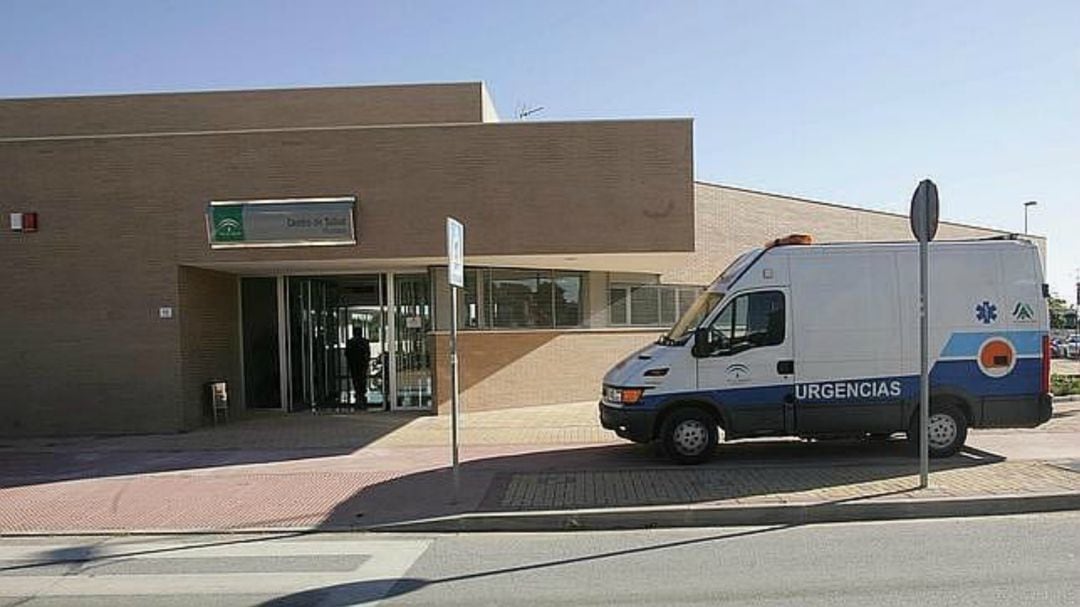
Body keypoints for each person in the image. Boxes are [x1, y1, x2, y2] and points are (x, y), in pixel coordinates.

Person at [344, 328, 371, 408]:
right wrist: (366, 362)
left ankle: (358, 392)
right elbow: (368, 353)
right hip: (362, 364)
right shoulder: (364, 342)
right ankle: (361, 392)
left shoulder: (350, 342)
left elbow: (347, 354)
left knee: (356, 379)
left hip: (354, 365)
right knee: (362, 378)